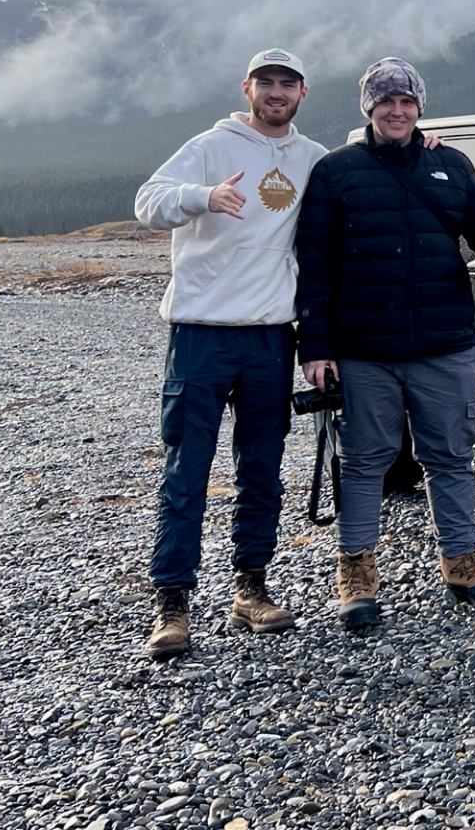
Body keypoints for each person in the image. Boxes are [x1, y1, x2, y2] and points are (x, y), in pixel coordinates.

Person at [295, 56, 475, 632]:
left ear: (419, 106)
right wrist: (315, 348)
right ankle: (357, 574)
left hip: (443, 343)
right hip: (364, 347)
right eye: (385, 101)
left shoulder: (451, 164)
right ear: (368, 108)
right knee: (366, 460)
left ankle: (462, 563)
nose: (396, 110)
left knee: (449, 456)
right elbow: (314, 265)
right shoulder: (336, 172)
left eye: (406, 100)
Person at [132, 48, 326, 660]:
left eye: (286, 83)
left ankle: (251, 587)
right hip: (201, 333)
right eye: (265, 81)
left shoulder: (313, 159)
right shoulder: (210, 147)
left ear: (302, 92)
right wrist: (202, 197)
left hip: (271, 334)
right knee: (187, 469)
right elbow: (147, 201)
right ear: (247, 87)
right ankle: (172, 603)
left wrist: (422, 144)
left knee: (263, 468)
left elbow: (369, 174)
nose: (275, 92)